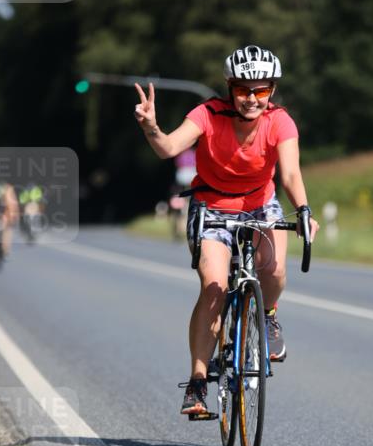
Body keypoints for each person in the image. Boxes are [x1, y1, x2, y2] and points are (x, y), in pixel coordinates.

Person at [134, 44, 319, 415]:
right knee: (214, 287)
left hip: (259, 205)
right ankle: (198, 382)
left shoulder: (280, 121)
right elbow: (169, 147)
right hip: (212, 206)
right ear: (230, 87)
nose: (251, 99)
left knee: (275, 268)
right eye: (243, 89)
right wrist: (151, 126)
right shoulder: (206, 114)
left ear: (272, 91)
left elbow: (291, 173)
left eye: (261, 90)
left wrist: (302, 210)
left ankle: (267, 317)